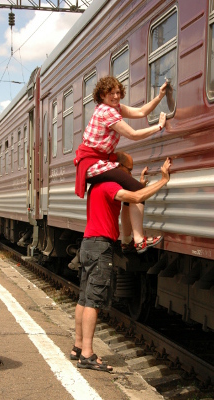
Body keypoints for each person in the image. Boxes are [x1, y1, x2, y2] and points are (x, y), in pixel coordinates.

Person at [70, 155, 171, 372]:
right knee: (94, 301)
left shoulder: (96, 185)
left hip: (88, 244)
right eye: (129, 170)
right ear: (117, 168)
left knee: (84, 297)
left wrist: (139, 183)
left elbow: (130, 196)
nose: (129, 175)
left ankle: (77, 347)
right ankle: (87, 355)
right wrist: (163, 181)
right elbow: (136, 198)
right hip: (100, 247)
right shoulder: (109, 185)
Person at [74, 76, 168, 254]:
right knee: (137, 190)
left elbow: (140, 112)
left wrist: (159, 97)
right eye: (111, 93)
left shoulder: (114, 108)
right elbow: (133, 134)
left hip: (98, 160)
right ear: (102, 95)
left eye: (118, 92)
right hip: (93, 164)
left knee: (131, 192)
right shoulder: (106, 112)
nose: (116, 96)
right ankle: (138, 240)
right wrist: (159, 127)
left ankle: (127, 240)